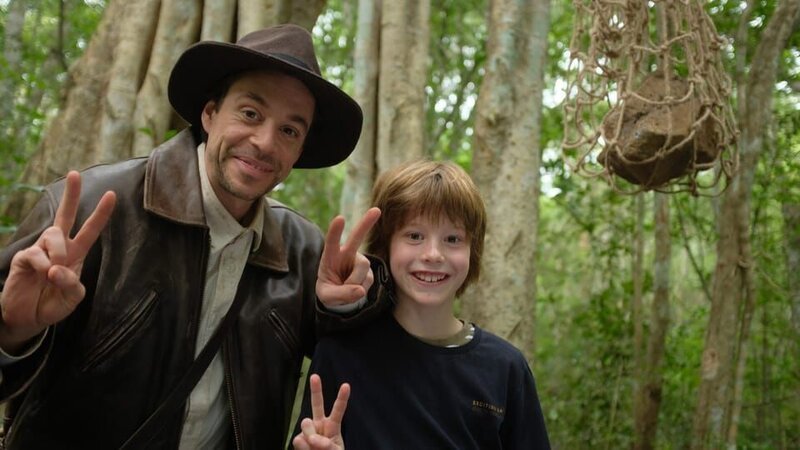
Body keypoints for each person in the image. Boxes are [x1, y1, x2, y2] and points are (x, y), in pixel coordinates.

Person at [0, 24, 389, 449]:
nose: (264, 142)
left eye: (289, 131)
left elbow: (350, 363)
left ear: (299, 152)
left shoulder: (303, 250)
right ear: (209, 114)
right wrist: (14, 330)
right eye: (250, 113)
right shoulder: (93, 208)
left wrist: (347, 307)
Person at [290, 160, 551, 450]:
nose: (433, 254)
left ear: (472, 252)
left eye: (452, 239)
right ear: (386, 246)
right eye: (414, 236)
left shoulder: (505, 368)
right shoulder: (340, 353)